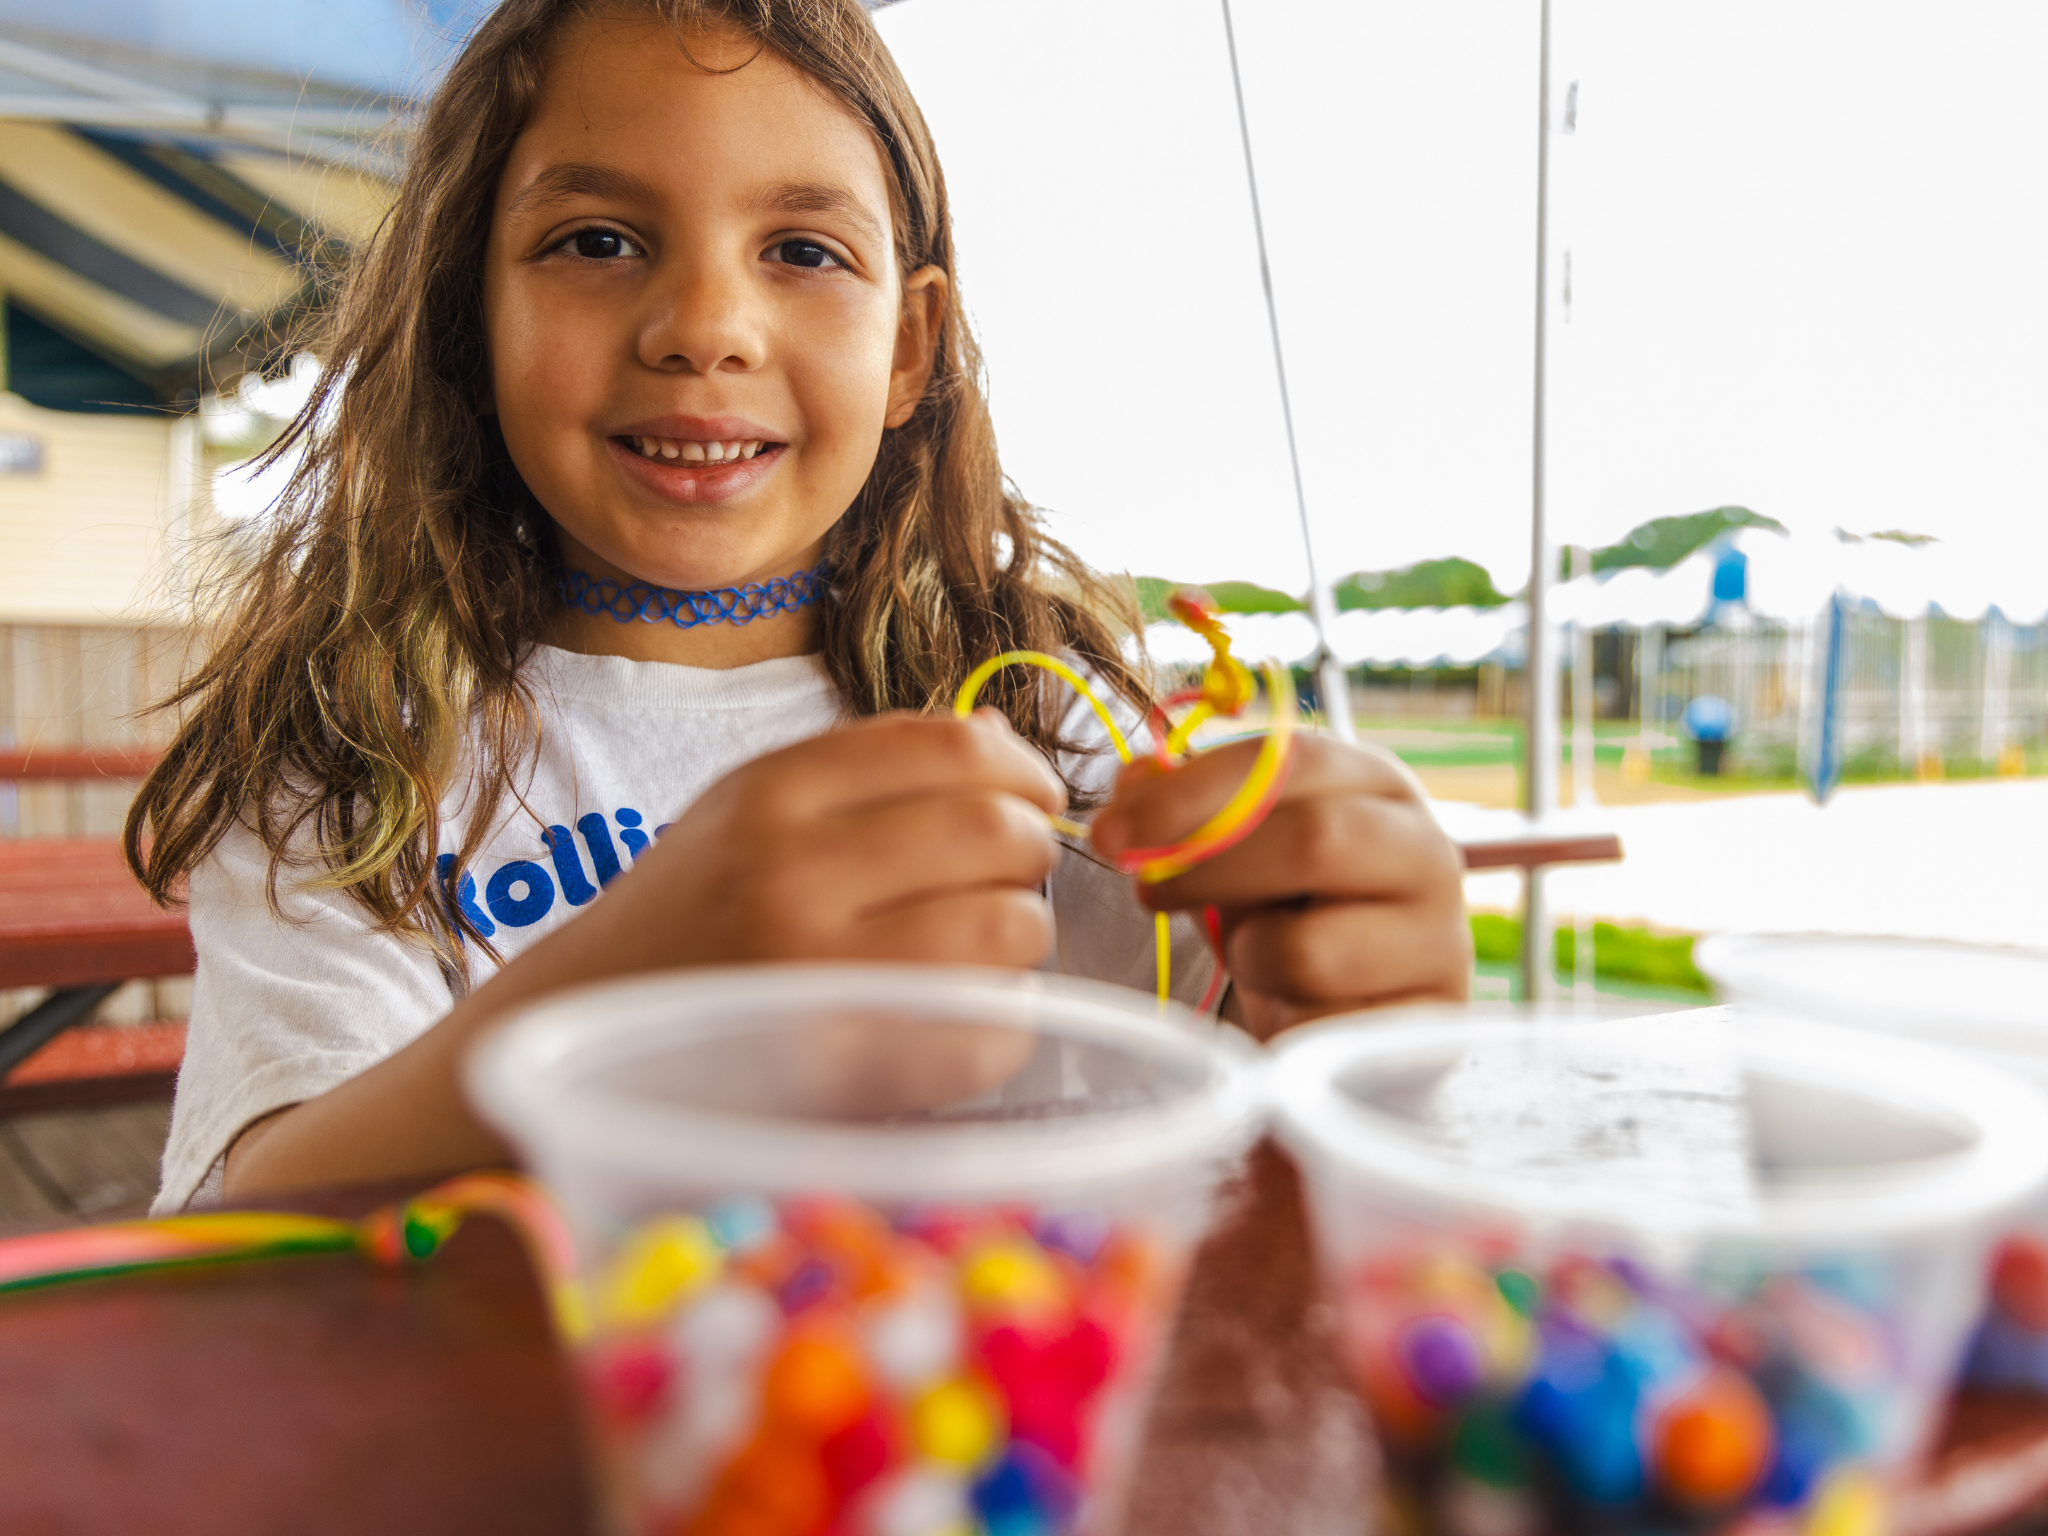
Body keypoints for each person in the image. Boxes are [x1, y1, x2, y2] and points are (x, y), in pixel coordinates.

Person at [129, 0, 1471, 1213]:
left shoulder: (1053, 733)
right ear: (470, 320)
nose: (705, 324)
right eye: (595, 240)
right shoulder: (361, 756)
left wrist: (1352, 1039)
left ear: (909, 350)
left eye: (803, 250)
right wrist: (632, 988)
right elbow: (246, 1237)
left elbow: (1223, 1181)